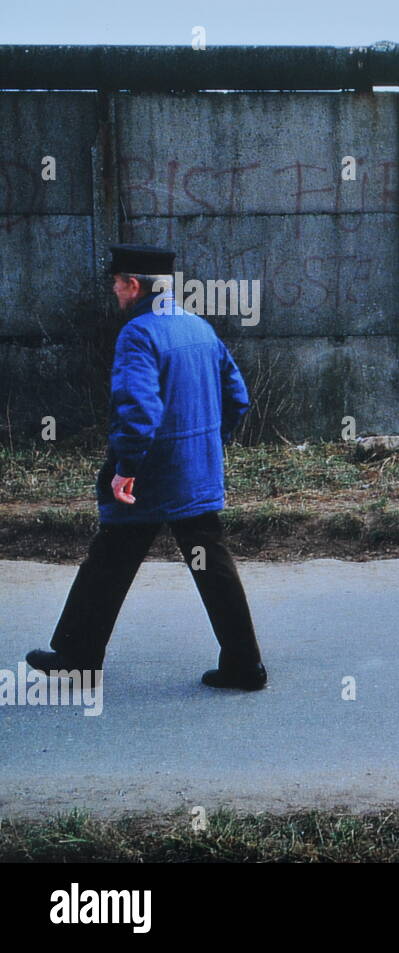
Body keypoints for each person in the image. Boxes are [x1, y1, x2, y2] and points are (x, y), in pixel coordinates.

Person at [25, 244, 267, 691]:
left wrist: (126, 467)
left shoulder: (138, 334)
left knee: (110, 558)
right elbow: (237, 398)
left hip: (152, 476)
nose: (115, 293)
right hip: (195, 472)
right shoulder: (197, 327)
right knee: (210, 562)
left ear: (133, 285)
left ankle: (78, 657)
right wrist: (209, 446)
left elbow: (138, 409)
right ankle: (244, 663)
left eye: (117, 285)